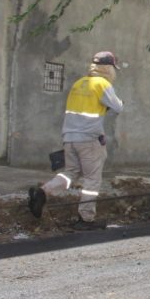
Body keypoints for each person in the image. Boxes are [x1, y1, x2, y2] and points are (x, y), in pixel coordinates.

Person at [28, 51, 124, 230]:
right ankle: (86, 219)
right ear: (109, 68)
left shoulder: (79, 83)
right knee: (92, 180)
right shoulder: (102, 84)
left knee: (71, 173)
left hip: (69, 137)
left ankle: (44, 191)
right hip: (89, 140)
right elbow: (117, 106)